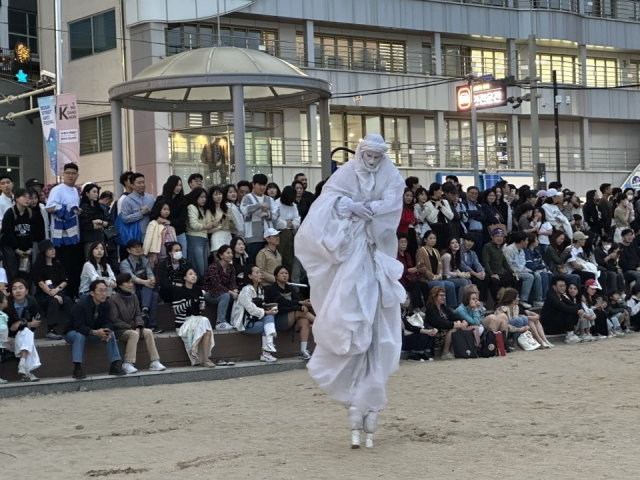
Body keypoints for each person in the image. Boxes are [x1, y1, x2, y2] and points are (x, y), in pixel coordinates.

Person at [294, 133, 406, 449]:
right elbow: (327, 203)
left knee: (374, 329)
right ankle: (357, 404)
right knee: (349, 319)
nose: (372, 162)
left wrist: (374, 208)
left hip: (373, 253)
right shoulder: (345, 174)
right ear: (360, 154)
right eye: (367, 156)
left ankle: (367, 406)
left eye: (377, 157)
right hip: (350, 254)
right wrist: (350, 205)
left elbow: (391, 206)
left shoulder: (391, 175)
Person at [63, 279, 125, 379]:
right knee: (79, 335)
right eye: (100, 291)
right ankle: (77, 368)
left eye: (105, 290)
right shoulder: (81, 305)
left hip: (92, 333)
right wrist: (95, 332)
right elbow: (79, 326)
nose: (104, 294)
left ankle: (115, 365)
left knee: (111, 334)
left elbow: (108, 321)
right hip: (72, 333)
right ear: (92, 293)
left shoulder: (105, 304)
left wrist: (106, 330)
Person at [109, 273, 166, 374]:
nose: (130, 285)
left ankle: (154, 361)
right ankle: (128, 363)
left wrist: (139, 326)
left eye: (131, 282)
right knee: (134, 334)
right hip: (120, 330)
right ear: (120, 284)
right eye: (127, 282)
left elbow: (138, 314)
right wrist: (130, 327)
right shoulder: (113, 299)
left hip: (134, 327)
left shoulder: (134, 297)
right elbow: (114, 320)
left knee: (148, 332)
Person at [265, 265, 315, 360]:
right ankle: (319, 323)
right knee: (300, 312)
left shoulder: (290, 288)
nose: (284, 275)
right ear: (275, 276)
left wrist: (302, 305)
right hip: (278, 319)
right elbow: (282, 304)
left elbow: (297, 299)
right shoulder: (272, 288)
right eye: (282, 273)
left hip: (292, 320)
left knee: (305, 321)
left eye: (286, 273)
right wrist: (299, 304)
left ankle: (303, 350)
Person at [230, 264, 278, 363]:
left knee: (269, 318)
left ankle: (268, 347)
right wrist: (265, 312)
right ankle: (266, 352)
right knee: (268, 323)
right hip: (245, 323)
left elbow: (259, 305)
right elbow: (251, 308)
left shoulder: (260, 289)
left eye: (260, 272)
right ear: (250, 276)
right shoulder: (246, 290)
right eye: (257, 273)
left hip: (255, 319)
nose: (260, 274)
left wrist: (268, 307)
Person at [172, 267, 216, 367]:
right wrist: (189, 303)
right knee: (205, 322)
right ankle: (202, 356)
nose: (194, 276)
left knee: (206, 327)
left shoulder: (198, 289)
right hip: (184, 322)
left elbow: (200, 307)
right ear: (184, 277)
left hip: (197, 320)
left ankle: (200, 354)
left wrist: (202, 306)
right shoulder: (179, 291)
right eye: (191, 274)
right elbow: (176, 310)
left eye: (195, 274)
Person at [31, 239, 72, 340]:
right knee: (53, 301)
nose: (53, 251)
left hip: (58, 291)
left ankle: (74, 324)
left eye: (53, 248)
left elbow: (65, 280)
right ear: (44, 251)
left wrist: (57, 289)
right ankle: (50, 330)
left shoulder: (57, 264)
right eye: (50, 249)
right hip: (44, 295)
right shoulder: (38, 266)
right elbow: (41, 284)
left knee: (67, 300)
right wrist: (53, 294)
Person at [119, 239, 162, 334]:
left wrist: (151, 279)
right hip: (132, 289)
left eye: (139, 247)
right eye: (135, 247)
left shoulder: (144, 260)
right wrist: (145, 282)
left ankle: (147, 316)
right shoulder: (124, 263)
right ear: (129, 250)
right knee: (151, 290)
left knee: (153, 293)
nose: (138, 249)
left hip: (144, 289)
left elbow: (149, 272)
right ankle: (150, 321)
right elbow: (131, 277)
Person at [6, 278, 42, 382]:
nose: (18, 291)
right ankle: (27, 371)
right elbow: (11, 328)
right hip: (10, 338)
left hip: (24, 336)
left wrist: (22, 323)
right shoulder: (7, 304)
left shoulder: (31, 301)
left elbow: (37, 320)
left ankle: (22, 365)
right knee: (27, 335)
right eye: (14, 289)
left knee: (26, 333)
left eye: (21, 288)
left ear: (26, 290)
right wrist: (27, 323)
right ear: (11, 292)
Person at [241, 173, 277, 263]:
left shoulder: (269, 199)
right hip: (253, 237)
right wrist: (259, 205)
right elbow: (244, 210)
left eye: (264, 185)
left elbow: (276, 214)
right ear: (253, 185)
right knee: (253, 263)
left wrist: (267, 214)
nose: (262, 187)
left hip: (268, 237)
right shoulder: (247, 198)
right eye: (260, 185)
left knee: (267, 262)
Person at [415, 230, 458, 307]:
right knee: (440, 284)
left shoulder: (436, 251)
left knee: (450, 284)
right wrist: (432, 277)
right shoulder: (420, 251)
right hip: (426, 279)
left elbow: (440, 265)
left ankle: (452, 308)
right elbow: (422, 267)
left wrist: (439, 275)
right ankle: (442, 308)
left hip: (437, 278)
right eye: (430, 238)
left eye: (434, 238)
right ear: (425, 240)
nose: (433, 240)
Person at [1, 188, 35, 282]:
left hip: (26, 248)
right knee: (13, 273)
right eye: (24, 197)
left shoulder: (31, 213)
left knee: (26, 273)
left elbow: (33, 232)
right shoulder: (10, 213)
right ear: (16, 198)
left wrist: (30, 248)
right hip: (11, 248)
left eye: (28, 197)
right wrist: (16, 249)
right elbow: (8, 233)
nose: (27, 199)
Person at [424, 286, 467, 360]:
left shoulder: (443, 307)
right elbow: (439, 323)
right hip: (434, 333)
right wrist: (454, 324)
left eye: (444, 295)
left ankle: (454, 351)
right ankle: (445, 351)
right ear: (435, 296)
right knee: (454, 328)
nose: (443, 297)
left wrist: (462, 321)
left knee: (458, 325)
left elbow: (454, 316)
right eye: (441, 295)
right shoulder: (431, 308)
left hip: (444, 330)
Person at [201, 244, 237, 331]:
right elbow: (216, 285)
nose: (231, 255)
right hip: (209, 292)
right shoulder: (214, 267)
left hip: (224, 292)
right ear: (221, 255)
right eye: (228, 253)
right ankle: (220, 322)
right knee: (226, 296)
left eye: (231, 253)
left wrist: (235, 290)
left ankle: (236, 321)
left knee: (238, 296)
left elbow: (232, 282)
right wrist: (231, 292)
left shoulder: (231, 267)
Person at [503, 231, 544, 308]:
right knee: (529, 277)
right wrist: (523, 271)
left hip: (522, 271)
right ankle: (523, 300)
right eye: (527, 240)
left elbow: (523, 264)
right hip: (512, 272)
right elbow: (509, 265)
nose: (528, 242)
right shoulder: (509, 250)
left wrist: (527, 270)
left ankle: (537, 299)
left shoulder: (521, 250)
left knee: (537, 275)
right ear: (522, 241)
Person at [482, 228, 521, 303]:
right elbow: (485, 262)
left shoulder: (499, 247)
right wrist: (491, 274)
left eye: (501, 236)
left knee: (518, 278)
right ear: (492, 237)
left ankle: (514, 298)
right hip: (493, 274)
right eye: (497, 236)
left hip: (502, 274)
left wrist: (513, 272)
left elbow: (504, 262)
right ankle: (496, 302)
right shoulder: (487, 247)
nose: (499, 238)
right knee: (494, 281)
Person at [541, 276, 583, 343]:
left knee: (571, 310)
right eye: (561, 286)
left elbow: (573, 304)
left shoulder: (562, 296)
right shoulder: (551, 296)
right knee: (567, 311)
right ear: (554, 287)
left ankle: (581, 332)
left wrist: (580, 309)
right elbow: (563, 307)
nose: (563, 288)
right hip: (549, 326)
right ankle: (570, 335)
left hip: (557, 323)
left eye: (564, 286)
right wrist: (577, 310)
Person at [185, 186, 214, 277]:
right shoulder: (191, 207)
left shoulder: (201, 209)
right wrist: (207, 226)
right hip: (194, 238)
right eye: (201, 197)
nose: (204, 199)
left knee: (205, 266)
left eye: (205, 197)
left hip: (203, 239)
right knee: (198, 266)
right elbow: (194, 225)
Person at [397, 234, 430, 311]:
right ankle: (416, 308)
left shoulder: (407, 255)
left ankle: (427, 306)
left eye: (405, 242)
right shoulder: (395, 255)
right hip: (401, 279)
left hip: (410, 278)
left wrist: (417, 269)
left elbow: (412, 268)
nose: (403, 244)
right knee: (414, 286)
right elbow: (397, 271)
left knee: (424, 285)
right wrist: (408, 270)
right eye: (401, 242)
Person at [158, 175, 188, 258]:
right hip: (164, 233)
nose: (178, 188)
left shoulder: (183, 201)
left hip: (179, 233)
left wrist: (170, 222)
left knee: (182, 257)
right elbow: (153, 214)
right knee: (165, 257)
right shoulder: (161, 199)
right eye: (176, 185)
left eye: (180, 185)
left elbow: (182, 219)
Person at [120, 173, 155, 243]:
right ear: (132, 185)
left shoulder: (151, 198)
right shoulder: (127, 200)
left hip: (152, 234)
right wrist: (141, 213)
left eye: (143, 182)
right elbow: (125, 218)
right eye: (139, 183)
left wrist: (150, 211)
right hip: (136, 236)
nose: (142, 185)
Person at [142, 200, 177, 270]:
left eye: (168, 209)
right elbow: (148, 240)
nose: (167, 211)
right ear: (159, 210)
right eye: (164, 209)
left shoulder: (170, 226)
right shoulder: (153, 224)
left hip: (169, 255)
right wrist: (144, 253)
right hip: (158, 255)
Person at [274, 185, 301, 273]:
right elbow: (277, 222)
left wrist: (291, 224)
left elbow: (297, 220)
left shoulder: (293, 205)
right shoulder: (276, 203)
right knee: (279, 255)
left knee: (289, 258)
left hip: (291, 232)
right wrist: (287, 223)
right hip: (280, 233)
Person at [78, 182, 109, 258]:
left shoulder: (98, 207)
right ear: (87, 193)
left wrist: (99, 222)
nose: (96, 194)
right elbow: (86, 225)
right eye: (94, 192)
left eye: (97, 192)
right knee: (91, 260)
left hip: (100, 238)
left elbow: (106, 223)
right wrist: (98, 223)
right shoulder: (84, 207)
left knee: (102, 261)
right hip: (90, 239)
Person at [440, 237, 471, 303]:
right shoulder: (447, 256)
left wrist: (464, 274)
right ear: (449, 246)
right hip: (445, 277)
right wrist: (459, 274)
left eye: (456, 242)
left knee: (468, 281)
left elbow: (455, 269)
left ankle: (467, 303)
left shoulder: (456, 255)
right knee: (464, 282)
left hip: (452, 277)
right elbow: (446, 272)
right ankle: (460, 304)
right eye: (452, 243)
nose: (455, 244)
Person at [459, 233, 489, 301]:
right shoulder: (458, 251)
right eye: (468, 240)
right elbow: (462, 266)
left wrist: (482, 271)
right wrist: (476, 274)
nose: (469, 243)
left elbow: (477, 264)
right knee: (477, 281)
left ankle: (482, 301)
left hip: (471, 273)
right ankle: (476, 300)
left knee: (486, 277)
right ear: (463, 240)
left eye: (472, 242)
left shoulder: (472, 253)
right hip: (461, 273)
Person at [424, 182, 453, 250]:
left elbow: (451, 216)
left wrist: (442, 207)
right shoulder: (427, 204)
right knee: (436, 248)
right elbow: (430, 219)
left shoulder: (445, 202)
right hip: (435, 228)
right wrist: (436, 208)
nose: (441, 192)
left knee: (447, 248)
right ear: (434, 191)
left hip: (446, 227)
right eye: (440, 190)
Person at [524, 234, 552, 300]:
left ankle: (549, 296)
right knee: (544, 275)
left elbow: (543, 263)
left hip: (540, 269)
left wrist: (545, 268)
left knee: (550, 274)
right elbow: (530, 265)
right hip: (531, 270)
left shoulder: (537, 252)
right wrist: (541, 267)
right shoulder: (526, 252)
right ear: (532, 242)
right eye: (536, 239)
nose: (538, 241)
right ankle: (542, 298)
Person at [207, 185, 234, 252]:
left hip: (227, 234)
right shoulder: (209, 211)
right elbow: (208, 230)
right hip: (217, 235)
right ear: (211, 196)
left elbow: (233, 227)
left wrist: (230, 221)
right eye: (216, 195)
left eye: (220, 194)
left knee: (229, 257)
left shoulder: (228, 209)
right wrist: (220, 227)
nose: (218, 196)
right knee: (218, 259)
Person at [462, 186, 486, 259]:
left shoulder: (477, 205)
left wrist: (472, 215)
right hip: (470, 232)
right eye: (472, 193)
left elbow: (483, 216)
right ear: (467, 193)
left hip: (479, 233)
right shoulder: (464, 204)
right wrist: (476, 213)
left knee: (478, 254)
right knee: (469, 253)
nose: (474, 195)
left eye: (476, 194)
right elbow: (466, 213)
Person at [398, 188, 418, 260]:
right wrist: (410, 220)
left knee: (412, 252)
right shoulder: (399, 207)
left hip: (411, 232)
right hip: (402, 232)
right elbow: (401, 220)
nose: (409, 198)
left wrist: (413, 221)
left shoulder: (410, 208)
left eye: (411, 196)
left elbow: (415, 220)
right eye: (407, 195)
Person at [0, 292, 9, 383]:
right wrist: (5, 340)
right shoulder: (1, 316)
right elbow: (2, 328)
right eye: (5, 299)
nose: (6, 301)